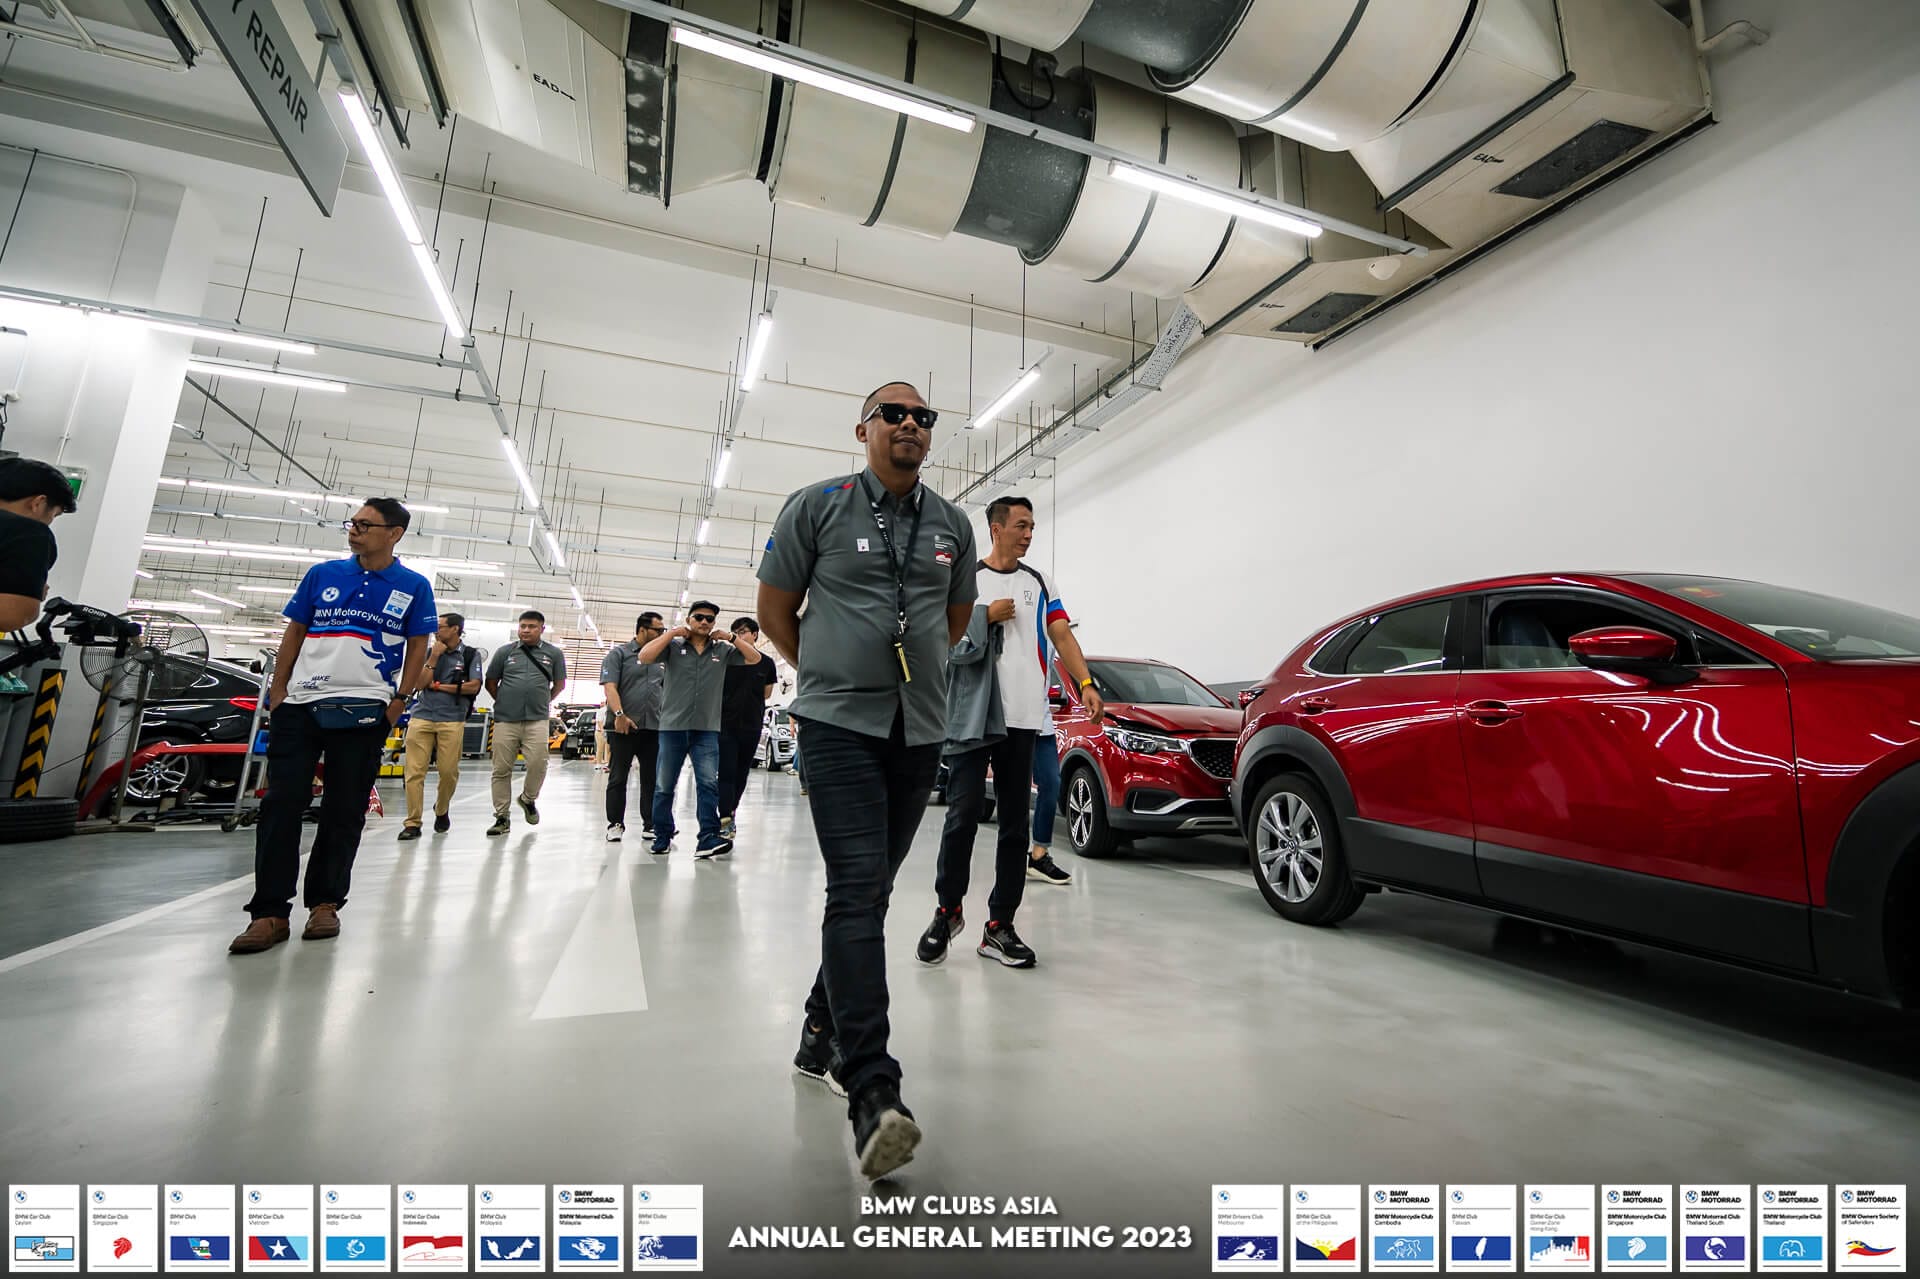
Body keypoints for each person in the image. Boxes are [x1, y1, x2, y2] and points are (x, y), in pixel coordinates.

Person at [757, 380, 977, 1180]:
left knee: (873, 889)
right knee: (855, 888)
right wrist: (827, 670)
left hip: (918, 728)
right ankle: (873, 1090)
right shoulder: (816, 506)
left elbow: (953, 621)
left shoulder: (951, 524)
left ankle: (819, 1033)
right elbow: (775, 609)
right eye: (895, 413)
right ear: (864, 429)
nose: (911, 423)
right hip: (838, 724)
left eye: (924, 416)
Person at [228, 499, 436, 954]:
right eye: (352, 523)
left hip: (364, 709)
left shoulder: (414, 586)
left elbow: (419, 645)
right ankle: (268, 913)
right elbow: (295, 632)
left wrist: (399, 700)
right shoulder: (323, 575)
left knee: (345, 809)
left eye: (365, 524)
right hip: (301, 705)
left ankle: (325, 903)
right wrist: (279, 692)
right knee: (281, 804)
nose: (354, 530)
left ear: (394, 533)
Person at [917, 496, 1103, 969]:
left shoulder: (1040, 582)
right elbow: (938, 635)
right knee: (961, 818)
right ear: (996, 528)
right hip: (973, 718)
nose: (1029, 534)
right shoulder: (966, 579)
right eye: (1021, 525)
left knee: (1015, 825)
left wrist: (1085, 683)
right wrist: (983, 616)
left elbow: (1061, 635)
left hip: (1023, 718)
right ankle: (947, 911)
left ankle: (1000, 924)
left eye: (1032, 526)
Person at [636, 600, 762, 858]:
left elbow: (755, 658)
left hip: (706, 730)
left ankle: (707, 838)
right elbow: (644, 656)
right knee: (664, 785)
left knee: (708, 784)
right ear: (689, 620)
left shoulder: (722, 651)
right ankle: (662, 835)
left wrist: (731, 637)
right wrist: (671, 633)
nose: (704, 622)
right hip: (672, 728)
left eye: (709, 619)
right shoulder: (673, 647)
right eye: (699, 617)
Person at [398, 611, 482, 840]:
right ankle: (412, 823)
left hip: (452, 719)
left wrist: (439, 687)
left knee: (448, 772)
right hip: (422, 717)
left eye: (441, 627)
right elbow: (419, 684)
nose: (436, 631)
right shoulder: (428, 652)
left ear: (455, 629)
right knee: (414, 772)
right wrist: (434, 657)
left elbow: (473, 686)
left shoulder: (470, 655)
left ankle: (442, 808)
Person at [484, 610, 566, 837]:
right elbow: (491, 682)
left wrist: (544, 700)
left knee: (539, 764)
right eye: (523, 626)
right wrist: (504, 701)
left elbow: (559, 685)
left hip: (537, 719)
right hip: (505, 720)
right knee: (501, 769)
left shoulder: (554, 653)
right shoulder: (505, 652)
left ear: (542, 629)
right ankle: (501, 817)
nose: (526, 630)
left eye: (531, 626)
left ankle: (528, 799)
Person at [601, 611, 666, 842]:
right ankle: (615, 824)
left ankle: (651, 824)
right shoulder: (619, 655)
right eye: (658, 630)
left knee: (652, 779)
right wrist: (619, 714)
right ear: (642, 630)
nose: (662, 634)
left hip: (654, 728)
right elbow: (610, 687)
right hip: (623, 727)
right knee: (618, 777)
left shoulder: (662, 658)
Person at [0, 457, 77, 632]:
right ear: (38, 503)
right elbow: (11, 615)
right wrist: (27, 592)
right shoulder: (29, 532)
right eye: (54, 515)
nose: (49, 522)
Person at [717, 616, 777, 838]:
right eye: (735, 631)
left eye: (742, 631)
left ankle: (731, 812)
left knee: (742, 773)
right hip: (725, 724)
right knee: (726, 771)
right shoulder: (726, 659)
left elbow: (767, 694)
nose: (738, 635)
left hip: (751, 726)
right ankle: (724, 816)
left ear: (754, 635)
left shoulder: (767, 663)